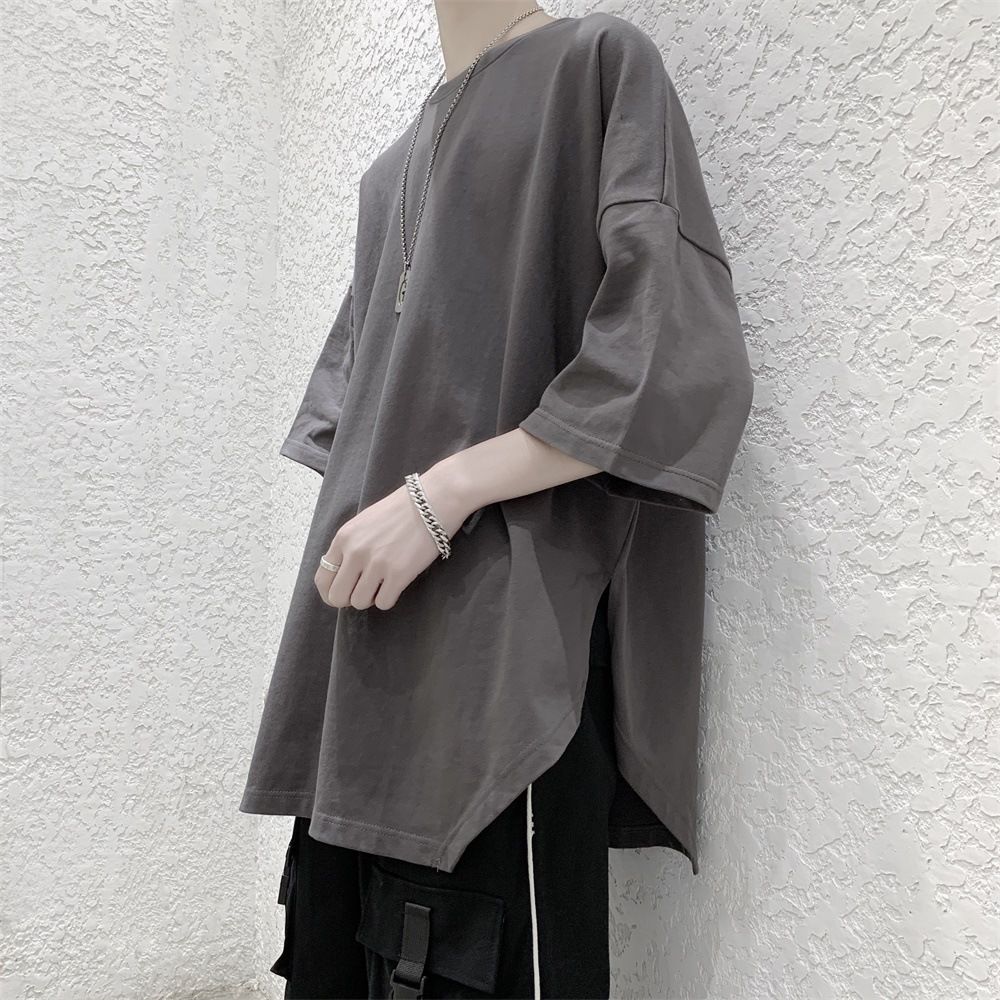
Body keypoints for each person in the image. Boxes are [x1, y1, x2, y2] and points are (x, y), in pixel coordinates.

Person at [239, 3, 754, 997]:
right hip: (355, 671)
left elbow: (666, 353)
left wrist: (440, 494)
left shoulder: (596, 66)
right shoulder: (389, 171)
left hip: (501, 667)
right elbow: (359, 425)